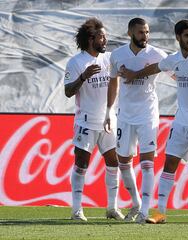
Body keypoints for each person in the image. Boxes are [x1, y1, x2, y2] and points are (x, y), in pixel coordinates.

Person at [120, 19, 188, 225]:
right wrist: (135, 74)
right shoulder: (174, 59)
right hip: (181, 121)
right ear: (178, 37)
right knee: (169, 163)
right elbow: (156, 67)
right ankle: (160, 212)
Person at [103, 18, 168, 224]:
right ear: (130, 32)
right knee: (124, 161)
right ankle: (137, 202)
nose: (145, 36)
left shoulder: (157, 53)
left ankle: (145, 211)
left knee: (147, 162)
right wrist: (108, 110)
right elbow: (113, 81)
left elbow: (173, 69)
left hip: (148, 114)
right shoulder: (117, 55)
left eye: (147, 32)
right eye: (141, 32)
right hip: (125, 115)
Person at [64, 18, 124, 221]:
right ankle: (76, 210)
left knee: (113, 163)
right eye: (102, 36)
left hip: (109, 120)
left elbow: (116, 83)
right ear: (91, 39)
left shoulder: (109, 59)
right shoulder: (76, 62)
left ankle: (112, 208)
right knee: (81, 164)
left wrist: (111, 111)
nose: (105, 39)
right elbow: (67, 92)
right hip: (86, 122)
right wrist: (82, 77)